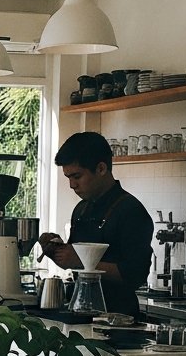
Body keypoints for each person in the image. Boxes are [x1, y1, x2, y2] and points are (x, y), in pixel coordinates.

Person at [38, 131, 154, 318]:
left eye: (77, 176)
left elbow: (135, 274)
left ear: (101, 168)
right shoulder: (81, 209)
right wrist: (57, 250)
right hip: (80, 311)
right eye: (68, 177)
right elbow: (75, 259)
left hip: (119, 319)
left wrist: (80, 261)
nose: (71, 185)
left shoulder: (130, 210)